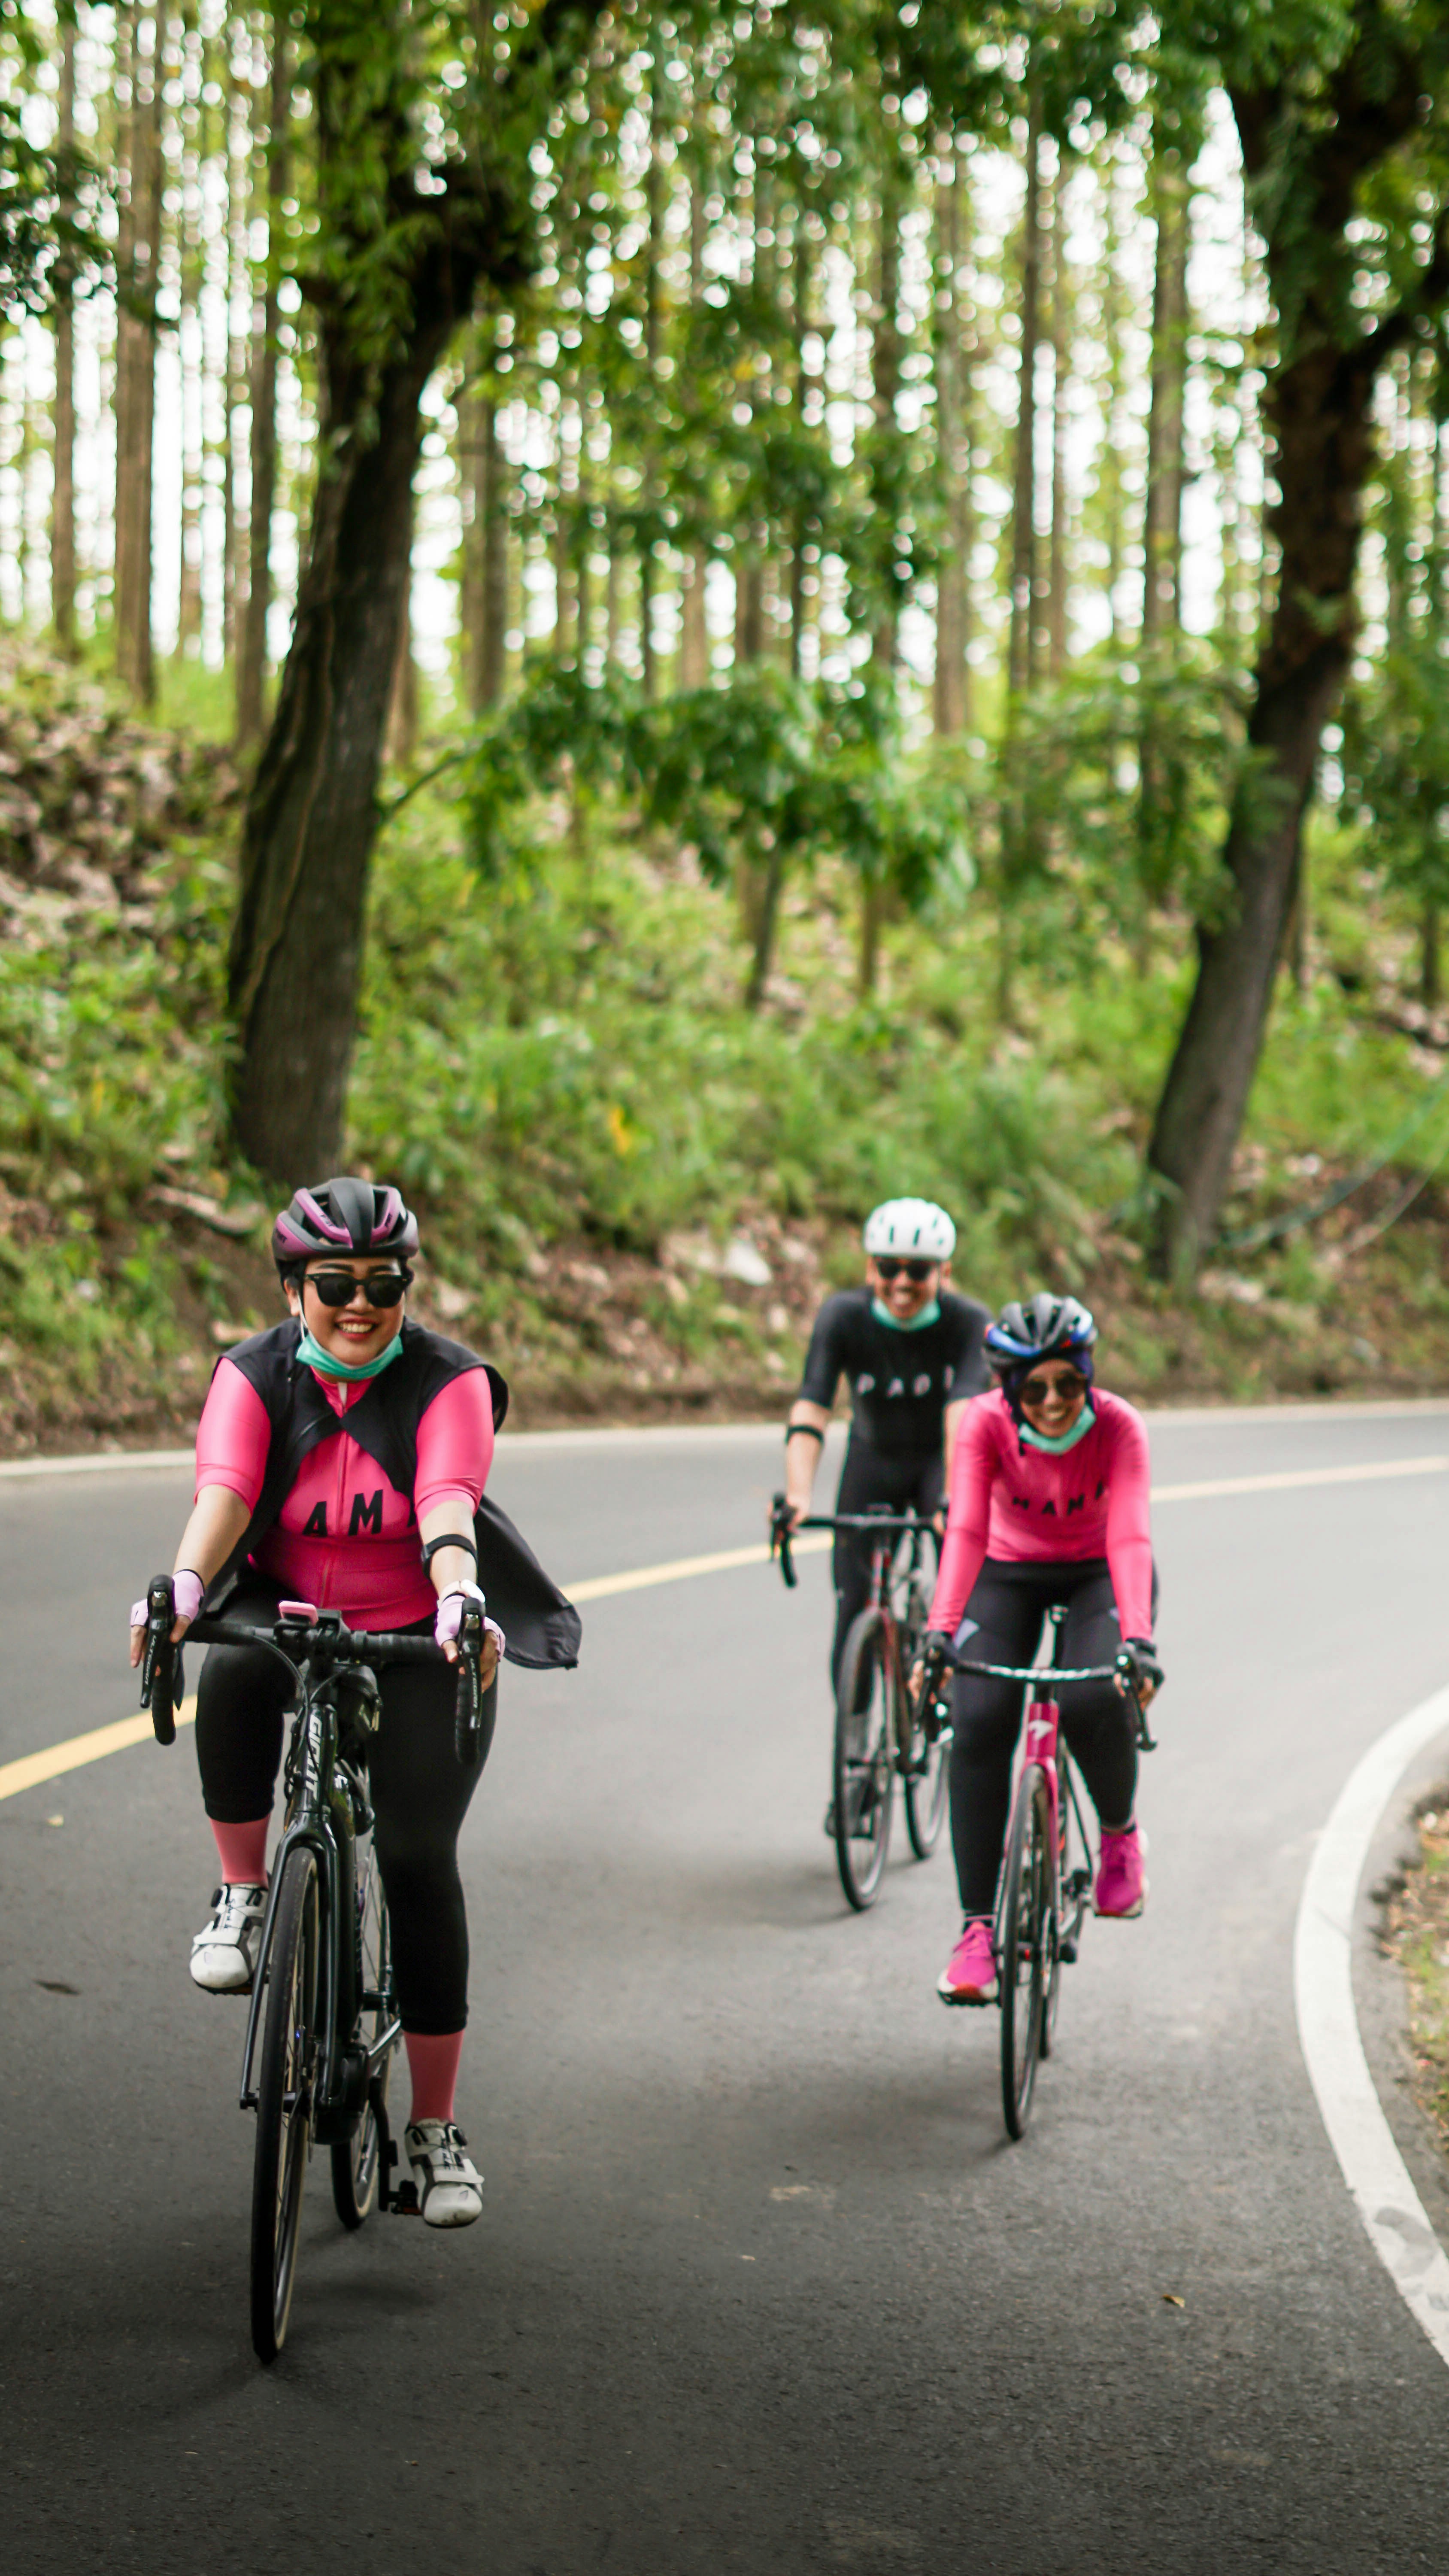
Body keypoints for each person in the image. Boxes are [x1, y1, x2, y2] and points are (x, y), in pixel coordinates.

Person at [128, 1176, 578, 2229]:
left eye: (386, 1284)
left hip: (421, 1634)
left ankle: (435, 2130)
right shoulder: (252, 1374)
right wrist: (186, 1587)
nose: (362, 1302)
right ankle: (242, 1894)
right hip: (287, 1620)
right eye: (336, 1283)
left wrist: (461, 1596)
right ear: (295, 1289)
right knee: (235, 1671)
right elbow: (227, 1492)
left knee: (418, 1859)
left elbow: (446, 1501)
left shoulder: (447, 1379)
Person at [919, 1292, 1162, 2006]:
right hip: (1006, 1570)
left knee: (1092, 1695)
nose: (1053, 1401)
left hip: (1099, 1572)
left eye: (1068, 1382)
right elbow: (963, 1529)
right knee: (981, 1722)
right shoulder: (982, 1425)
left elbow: (1130, 1535)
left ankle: (1119, 1834)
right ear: (1008, 1389)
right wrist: (939, 1630)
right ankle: (975, 1934)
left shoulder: (1119, 1428)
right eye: (1035, 1387)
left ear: (1088, 1375)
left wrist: (1139, 1642)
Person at [780, 1200, 991, 1746]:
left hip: (935, 1464)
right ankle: (854, 1747)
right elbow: (811, 1407)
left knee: (954, 1588)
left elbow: (962, 1420)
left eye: (918, 1270)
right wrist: (797, 1496)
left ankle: (942, 1698)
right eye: (888, 1267)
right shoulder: (842, 1316)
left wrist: (951, 1498)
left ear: (943, 1273)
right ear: (869, 1267)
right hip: (872, 1460)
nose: (901, 1282)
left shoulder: (969, 1322)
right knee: (852, 1607)